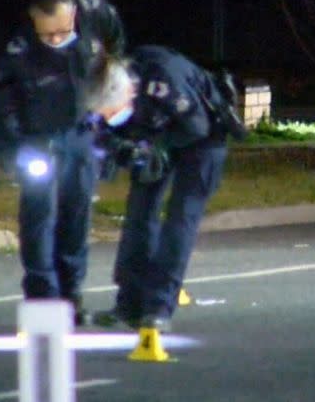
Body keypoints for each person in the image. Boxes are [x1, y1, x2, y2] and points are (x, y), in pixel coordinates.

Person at [0, 0, 125, 325]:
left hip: (80, 137)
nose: (58, 40)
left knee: (77, 217)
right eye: (48, 35)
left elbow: (114, 57)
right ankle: (43, 297)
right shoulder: (17, 51)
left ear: (73, 15)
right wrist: (14, 154)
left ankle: (71, 295)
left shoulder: (93, 22)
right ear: (34, 24)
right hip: (37, 141)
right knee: (39, 219)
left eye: (63, 31)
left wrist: (108, 138)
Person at [85, 45, 247, 331]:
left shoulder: (163, 80)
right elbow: (101, 135)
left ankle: (159, 307)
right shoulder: (101, 87)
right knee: (138, 215)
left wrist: (156, 148)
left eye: (113, 112)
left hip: (203, 138)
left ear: (130, 93)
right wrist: (123, 149)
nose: (109, 118)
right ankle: (129, 306)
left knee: (180, 219)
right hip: (154, 133)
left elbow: (195, 127)